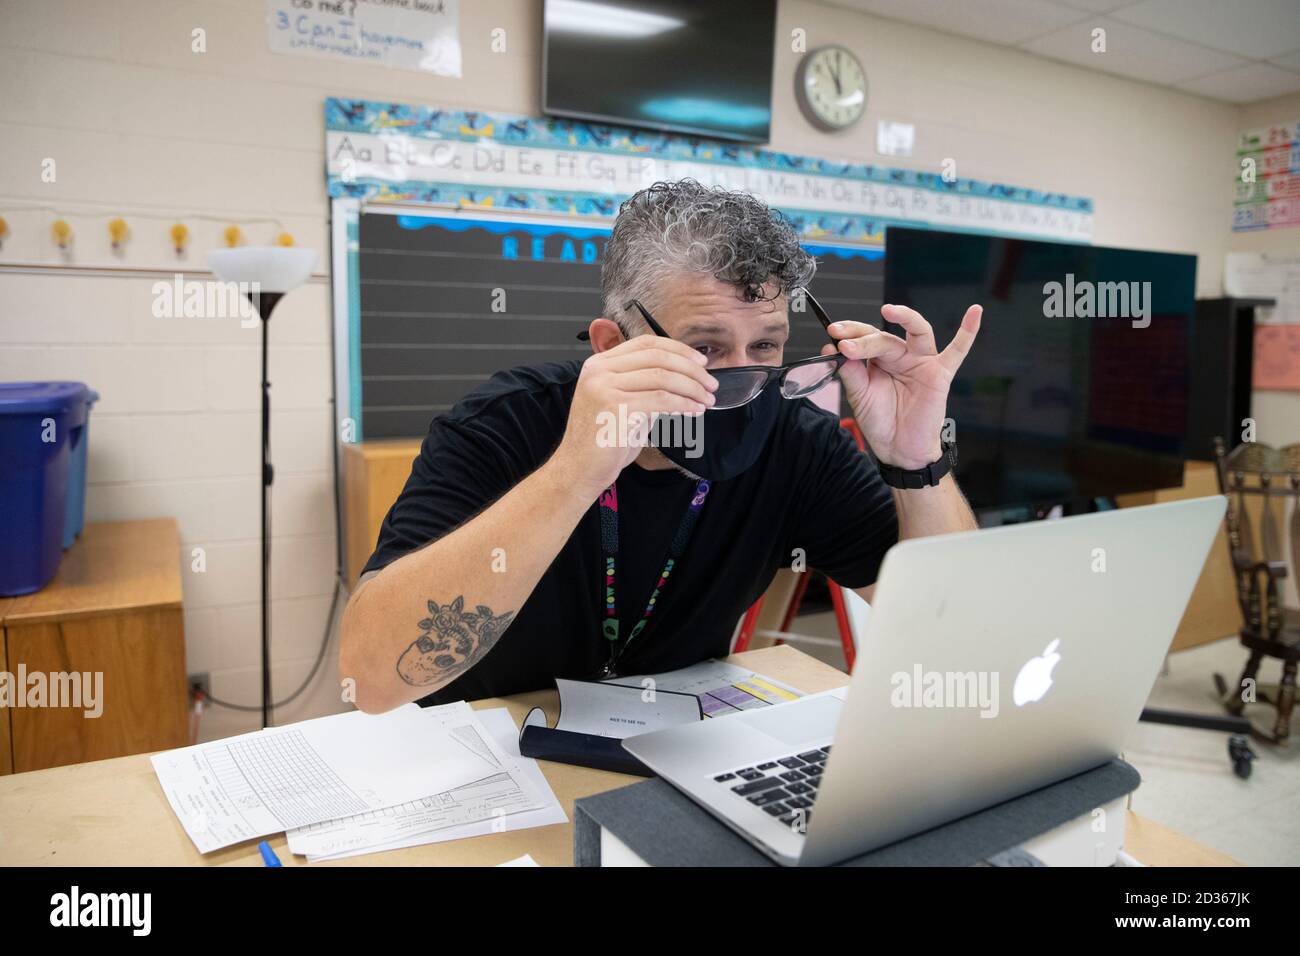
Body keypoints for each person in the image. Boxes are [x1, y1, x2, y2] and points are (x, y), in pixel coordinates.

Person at [339, 179, 982, 713]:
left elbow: (954, 635)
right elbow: (370, 681)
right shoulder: (506, 424)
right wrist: (573, 473)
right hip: (489, 752)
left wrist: (915, 460)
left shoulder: (797, 443)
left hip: (671, 744)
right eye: (704, 349)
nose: (741, 381)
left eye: (765, 347)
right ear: (612, 345)